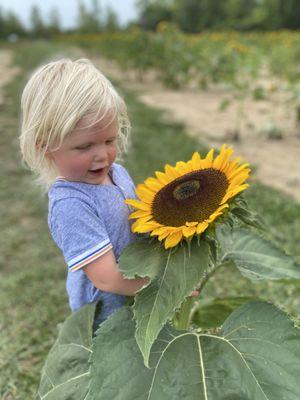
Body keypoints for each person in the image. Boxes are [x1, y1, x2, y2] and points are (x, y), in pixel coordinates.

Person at [19, 58, 149, 326]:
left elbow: (139, 222)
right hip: (105, 317)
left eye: (109, 140)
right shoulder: (71, 205)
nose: (102, 155)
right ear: (45, 146)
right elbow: (106, 278)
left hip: (138, 296)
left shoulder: (118, 174)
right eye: (84, 146)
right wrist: (163, 287)